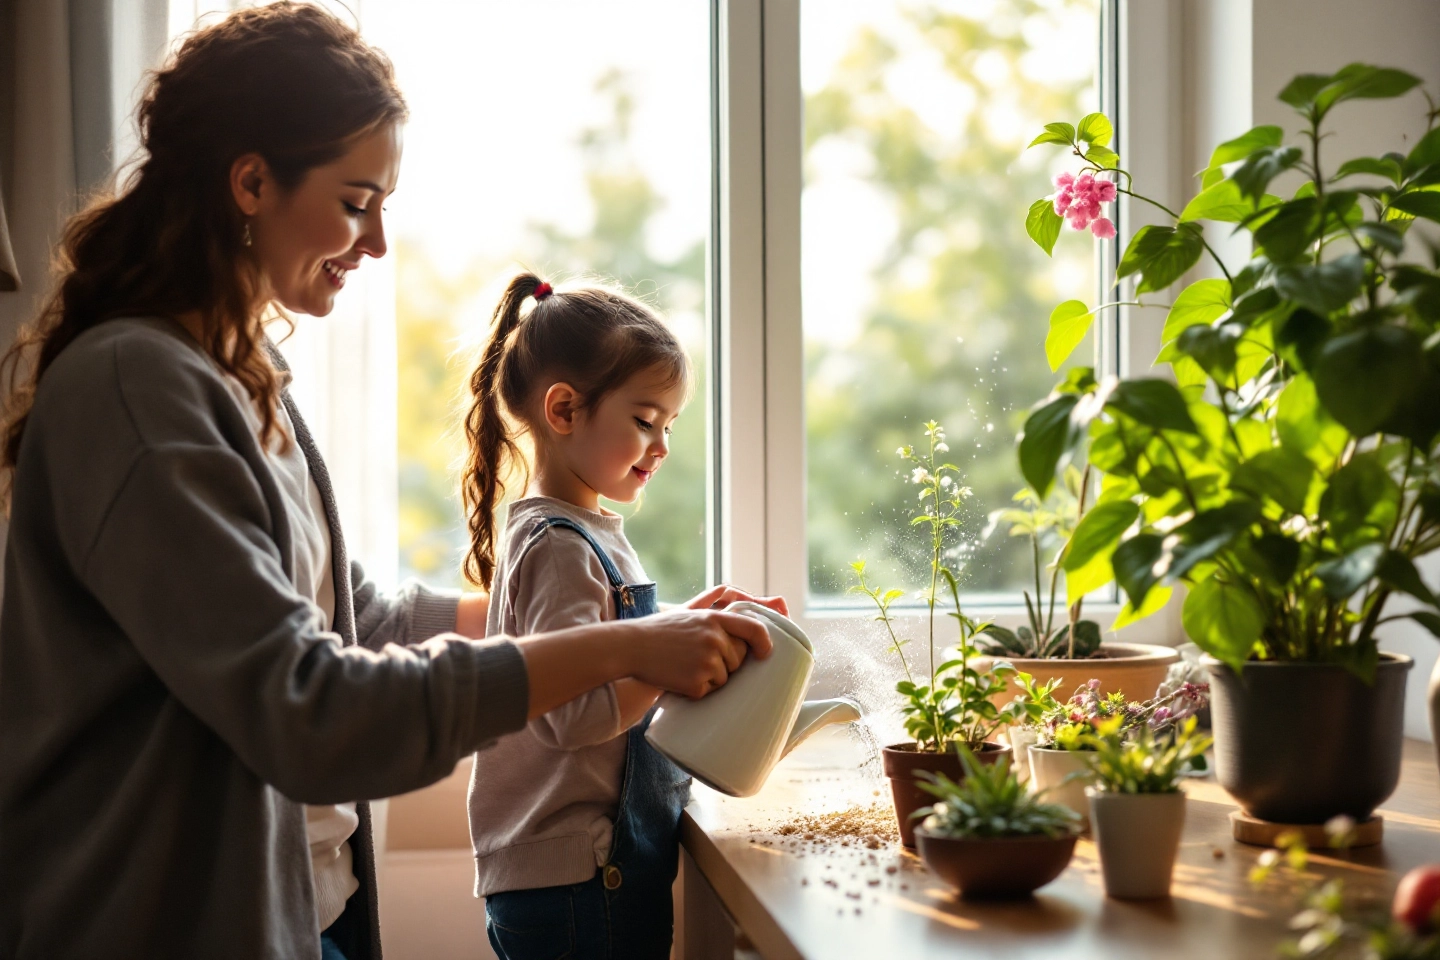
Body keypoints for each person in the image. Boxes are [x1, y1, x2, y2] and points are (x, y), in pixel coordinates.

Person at [0, 7, 773, 960]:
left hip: (303, 912)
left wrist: (632, 633)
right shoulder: (138, 390)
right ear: (251, 181)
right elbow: (310, 706)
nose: (377, 243)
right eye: (357, 199)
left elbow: (352, 610)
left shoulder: (244, 382)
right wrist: (621, 645)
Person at [461, 275, 783, 959]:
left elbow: (613, 648)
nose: (661, 446)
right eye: (644, 421)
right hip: (579, 879)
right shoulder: (557, 546)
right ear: (564, 410)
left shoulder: (590, 532)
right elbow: (572, 716)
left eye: (669, 426)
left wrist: (685, 625)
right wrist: (671, 667)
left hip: (591, 872)